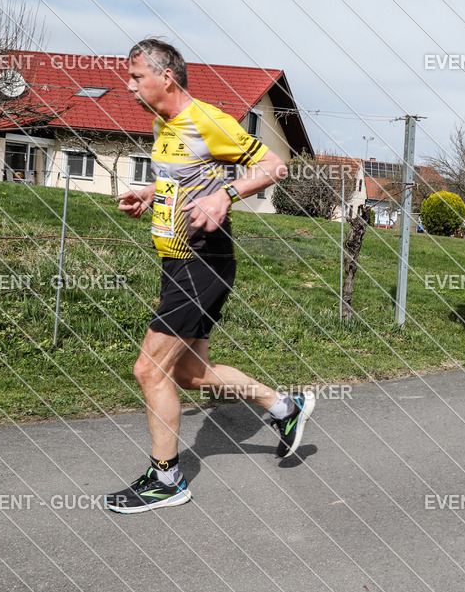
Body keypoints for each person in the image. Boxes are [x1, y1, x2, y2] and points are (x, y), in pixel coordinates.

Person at [108, 40, 313, 514]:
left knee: (149, 369)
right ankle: (286, 408)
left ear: (168, 78)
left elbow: (274, 166)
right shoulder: (164, 124)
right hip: (176, 257)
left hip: (203, 260)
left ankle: (167, 479)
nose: (130, 85)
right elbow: (181, 180)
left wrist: (227, 196)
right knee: (188, 373)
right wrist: (148, 193)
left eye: (138, 76)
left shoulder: (207, 119)